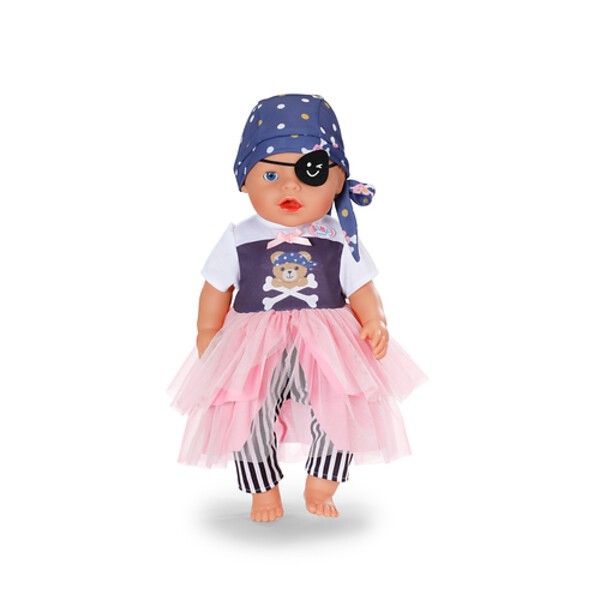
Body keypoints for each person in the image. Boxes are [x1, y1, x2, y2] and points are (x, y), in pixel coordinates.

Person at [169, 94, 427, 522]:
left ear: (337, 180)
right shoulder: (237, 237)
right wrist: (207, 333)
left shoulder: (338, 235)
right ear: (244, 181)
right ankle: (262, 489)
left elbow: (361, 286)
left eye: (309, 174)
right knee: (245, 411)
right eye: (271, 175)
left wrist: (375, 320)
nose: (290, 187)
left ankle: (322, 481)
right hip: (251, 345)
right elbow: (215, 289)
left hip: (329, 343)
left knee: (342, 404)